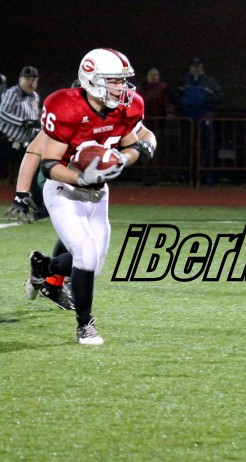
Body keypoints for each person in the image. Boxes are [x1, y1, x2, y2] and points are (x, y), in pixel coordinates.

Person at [25, 48, 144, 345]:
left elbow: (133, 146)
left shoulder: (126, 107)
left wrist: (121, 159)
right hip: (64, 190)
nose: (122, 87)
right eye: (114, 80)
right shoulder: (66, 106)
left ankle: (43, 267)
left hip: (98, 194)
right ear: (92, 80)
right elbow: (50, 165)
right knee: (86, 255)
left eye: (123, 80)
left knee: (94, 265)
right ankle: (85, 325)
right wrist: (80, 178)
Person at [176, 57, 224, 182]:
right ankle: (186, 175)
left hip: (204, 118)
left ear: (202, 67)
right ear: (190, 67)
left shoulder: (210, 82)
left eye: (198, 66)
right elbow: (176, 97)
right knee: (186, 147)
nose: (196, 68)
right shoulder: (183, 81)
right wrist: (183, 103)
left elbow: (220, 97)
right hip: (187, 119)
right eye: (194, 66)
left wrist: (206, 101)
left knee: (206, 147)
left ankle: (205, 175)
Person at [0, 66, 41, 187]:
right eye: (27, 79)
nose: (31, 82)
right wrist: (23, 122)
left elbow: (33, 118)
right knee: (2, 174)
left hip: (24, 144)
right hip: (5, 142)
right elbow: (2, 113)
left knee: (31, 173)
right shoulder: (12, 93)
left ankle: (31, 197)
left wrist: (37, 128)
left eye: (34, 80)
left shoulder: (35, 96)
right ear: (20, 80)